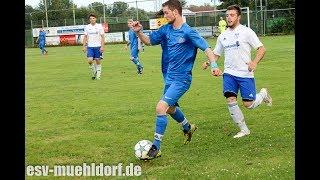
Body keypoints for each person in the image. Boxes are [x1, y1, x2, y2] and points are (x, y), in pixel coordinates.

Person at [130, 0, 222, 159]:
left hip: (182, 79)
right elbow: (149, 41)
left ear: (176, 12)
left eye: (166, 13)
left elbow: (207, 48)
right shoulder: (165, 30)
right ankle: (188, 127)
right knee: (170, 109)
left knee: (160, 108)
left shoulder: (188, 32)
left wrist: (213, 64)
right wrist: (138, 32)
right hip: (169, 78)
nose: (164, 16)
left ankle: (156, 147)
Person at [202, 5, 272, 138]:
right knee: (230, 100)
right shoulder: (222, 36)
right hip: (229, 73)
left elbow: (261, 49)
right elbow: (216, 54)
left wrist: (254, 62)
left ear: (239, 17)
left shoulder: (247, 32)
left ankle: (263, 94)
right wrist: (209, 63)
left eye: (232, 15)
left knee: (248, 105)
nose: (229, 17)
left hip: (245, 74)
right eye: (227, 15)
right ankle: (244, 129)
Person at [82, 14, 105, 80]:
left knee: (98, 60)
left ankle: (98, 75)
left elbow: (103, 37)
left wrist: (102, 46)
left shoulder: (99, 26)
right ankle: (94, 71)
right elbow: (85, 37)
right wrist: (84, 46)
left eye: (93, 18)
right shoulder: (87, 27)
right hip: (90, 47)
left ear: (95, 19)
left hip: (98, 46)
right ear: (89, 20)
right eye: (91, 18)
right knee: (89, 60)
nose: (92, 19)